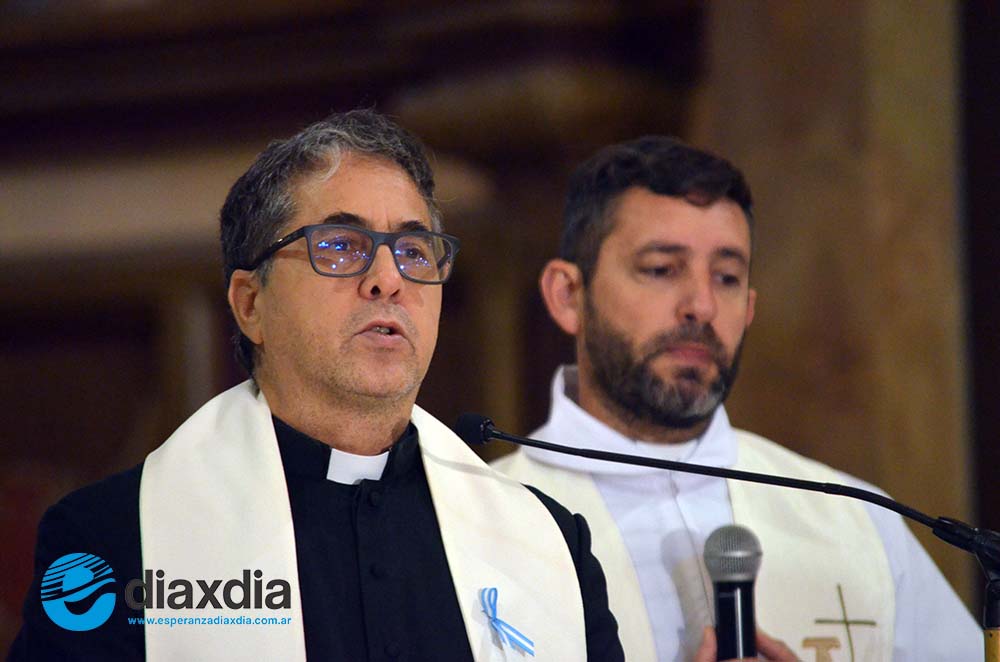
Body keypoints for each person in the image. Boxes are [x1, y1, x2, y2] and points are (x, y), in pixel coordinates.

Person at [10, 110, 625, 661]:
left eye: (415, 251)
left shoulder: (550, 546)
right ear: (251, 305)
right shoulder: (112, 543)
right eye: (340, 246)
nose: (388, 278)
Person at [492, 136, 983, 661]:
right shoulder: (485, 520)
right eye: (661, 269)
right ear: (568, 296)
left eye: (726, 277)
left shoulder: (855, 520)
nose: (702, 305)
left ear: (748, 308)